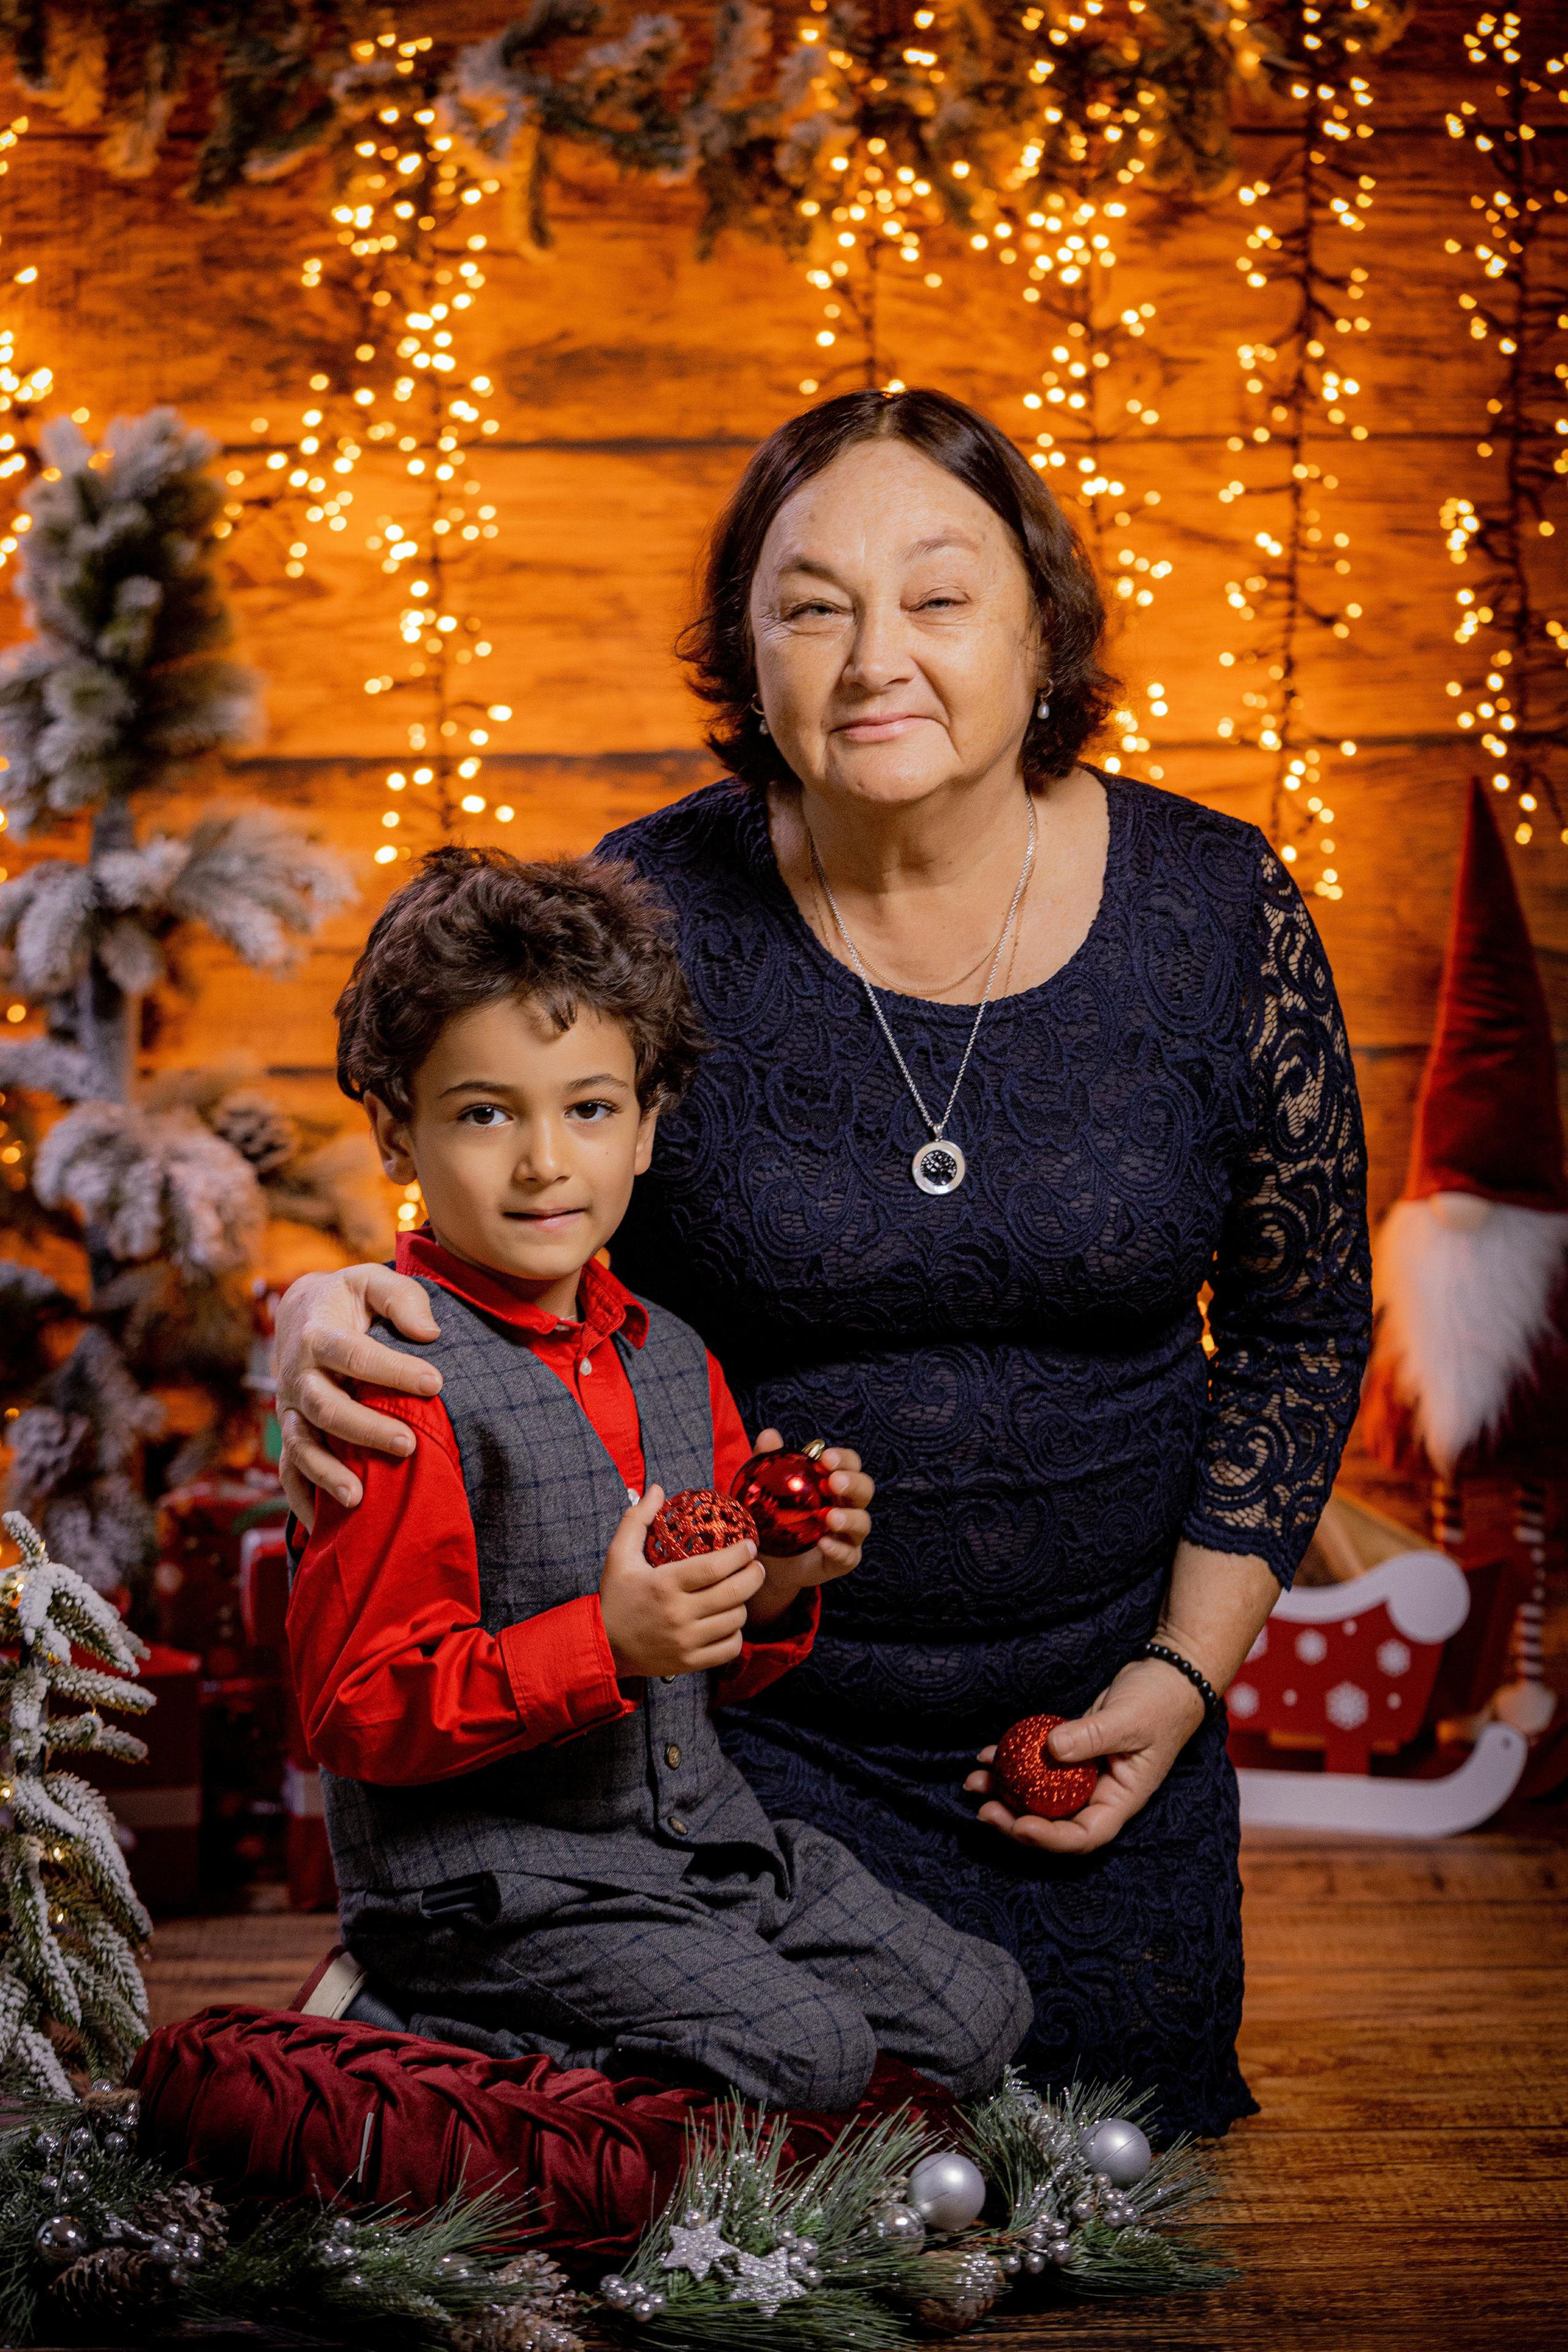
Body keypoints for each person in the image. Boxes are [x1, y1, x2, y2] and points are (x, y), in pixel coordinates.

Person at [275, 388, 1371, 2135]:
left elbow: (1307, 1326)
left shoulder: (1219, 907)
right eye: (812, 604)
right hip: (733, 1746)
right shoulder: (650, 908)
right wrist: (332, 1296)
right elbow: (509, 1190)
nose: (878, 657)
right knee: (779, 2160)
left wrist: (1175, 1686)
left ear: (1041, 629)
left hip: (1111, 1722)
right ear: (748, 655)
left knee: (1100, 2156)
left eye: (938, 596)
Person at [285, 844, 1033, 2111]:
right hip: (486, 1886)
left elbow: (721, 1656)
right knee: (810, 2057)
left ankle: (705, 2041)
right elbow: (352, 1711)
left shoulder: (674, 1360)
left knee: (979, 2011)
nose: (542, 1163)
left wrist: (784, 1576)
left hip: (694, 1852)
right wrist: (602, 1643)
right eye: (483, 1113)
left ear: (644, 1128)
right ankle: (410, 2027)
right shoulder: (391, 1373)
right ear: (395, 1123)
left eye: (587, 1109)